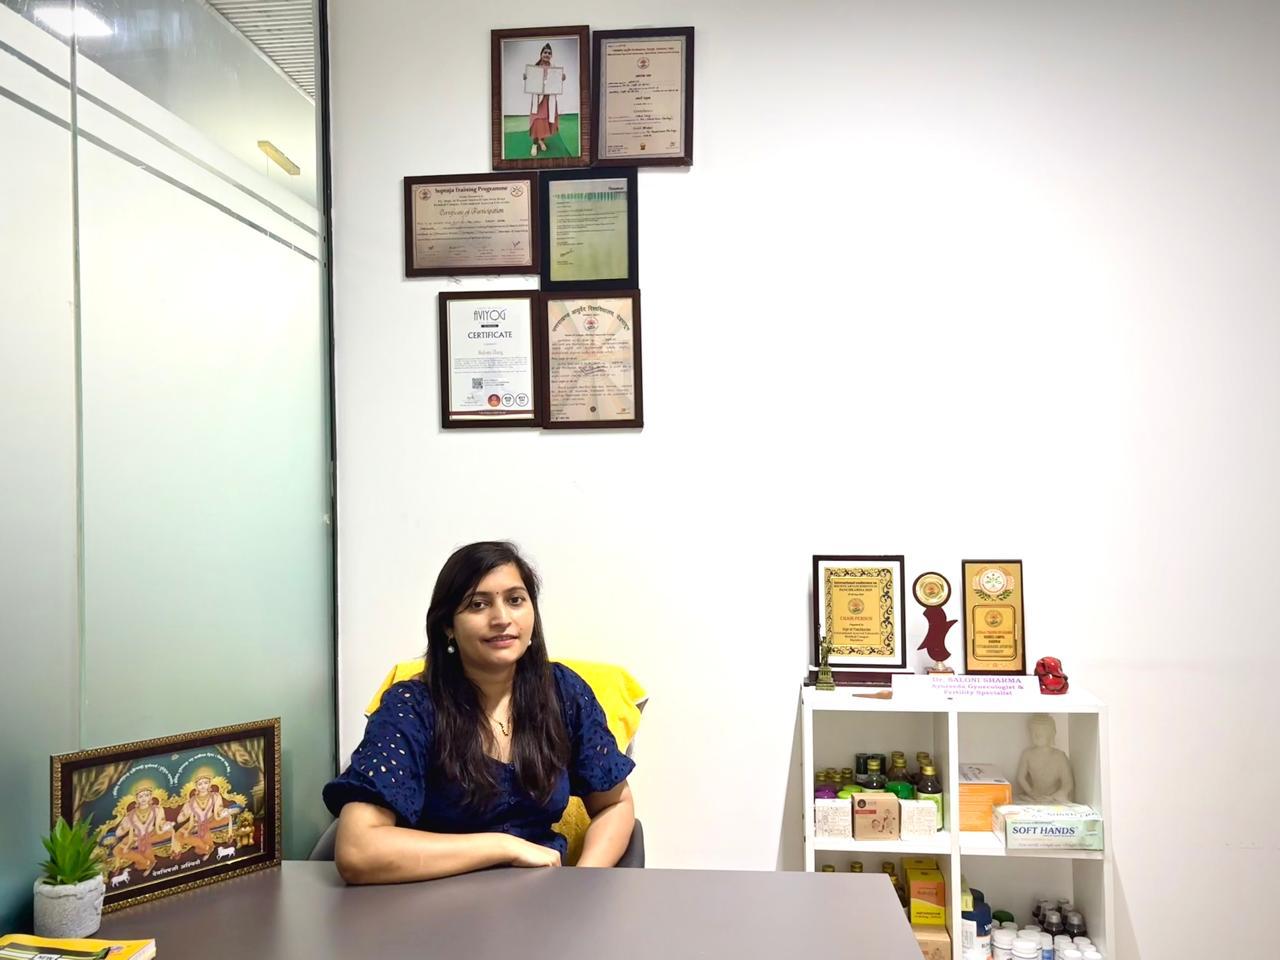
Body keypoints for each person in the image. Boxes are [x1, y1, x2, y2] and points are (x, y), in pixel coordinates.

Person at [323, 541, 635, 883]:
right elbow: (358, 850)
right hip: (434, 897)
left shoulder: (563, 692)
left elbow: (614, 804)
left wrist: (582, 880)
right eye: (478, 604)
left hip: (543, 897)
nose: (502, 619)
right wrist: (503, 847)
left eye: (515, 600)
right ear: (448, 625)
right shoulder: (411, 707)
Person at [525, 43, 563, 157]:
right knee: (537, 122)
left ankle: (541, 140)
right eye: (545, 52)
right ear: (541, 54)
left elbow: (557, 81)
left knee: (546, 121)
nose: (547, 54)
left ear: (551, 55)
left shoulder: (554, 67)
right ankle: (534, 144)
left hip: (549, 99)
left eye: (549, 53)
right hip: (538, 100)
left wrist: (562, 77)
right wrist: (526, 77)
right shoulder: (535, 68)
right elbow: (530, 81)